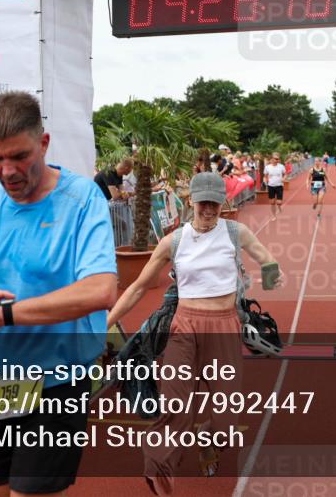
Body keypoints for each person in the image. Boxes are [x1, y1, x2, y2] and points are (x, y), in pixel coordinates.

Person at [0, 91, 117, 497]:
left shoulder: (82, 199)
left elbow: (101, 289)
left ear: (43, 144)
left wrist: (4, 316)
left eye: (19, 156)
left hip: (56, 383)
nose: (7, 171)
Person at [107, 172, 282, 496]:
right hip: (184, 327)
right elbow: (138, 287)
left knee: (227, 423)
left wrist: (273, 276)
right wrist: (105, 323)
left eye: (216, 202)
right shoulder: (174, 241)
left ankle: (207, 438)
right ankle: (158, 471)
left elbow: (266, 259)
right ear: (191, 200)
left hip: (224, 328)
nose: (209, 209)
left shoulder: (235, 233)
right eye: (203, 202)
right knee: (175, 409)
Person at [263, 152, 286, 221]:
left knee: (279, 202)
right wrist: (265, 181)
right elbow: (265, 176)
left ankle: (279, 205)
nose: (277, 160)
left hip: (279, 185)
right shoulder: (267, 167)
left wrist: (284, 178)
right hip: (271, 186)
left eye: (278, 159)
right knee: (272, 202)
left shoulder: (281, 166)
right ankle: (274, 216)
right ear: (272, 159)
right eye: (276, 159)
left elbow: (285, 174)